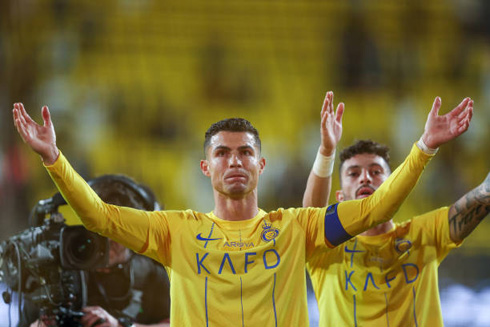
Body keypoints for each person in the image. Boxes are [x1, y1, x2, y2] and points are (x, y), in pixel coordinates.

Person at [12, 91, 472, 326]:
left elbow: (375, 211)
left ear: (261, 164)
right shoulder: (177, 231)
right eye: (224, 153)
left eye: (246, 152)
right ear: (205, 167)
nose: (235, 160)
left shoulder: (296, 227)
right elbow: (98, 217)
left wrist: (424, 147)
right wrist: (53, 157)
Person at [303, 94, 486, 326]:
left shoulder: (422, 236)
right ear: (339, 198)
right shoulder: (328, 250)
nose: (365, 178)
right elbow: (311, 217)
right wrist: (327, 151)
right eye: (353, 173)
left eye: (376, 171)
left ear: (394, 186)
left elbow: (481, 199)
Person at [25, 175, 171, 327]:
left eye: (117, 232)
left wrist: (121, 325)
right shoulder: (57, 274)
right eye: (100, 230)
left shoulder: (151, 275)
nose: (107, 241)